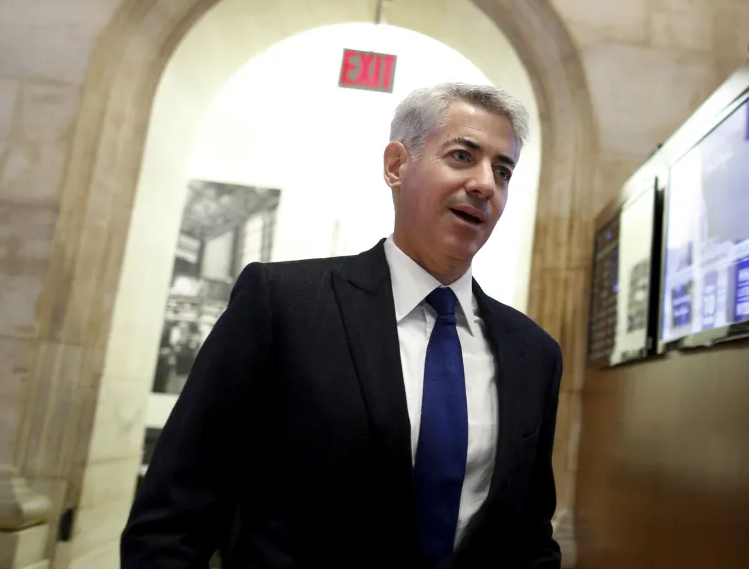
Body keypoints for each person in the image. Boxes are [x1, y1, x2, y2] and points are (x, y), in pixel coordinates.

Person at [121, 83, 564, 569]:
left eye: (503, 171)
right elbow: (174, 517)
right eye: (462, 156)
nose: (484, 184)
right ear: (396, 165)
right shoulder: (283, 304)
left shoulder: (534, 354)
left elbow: (529, 539)